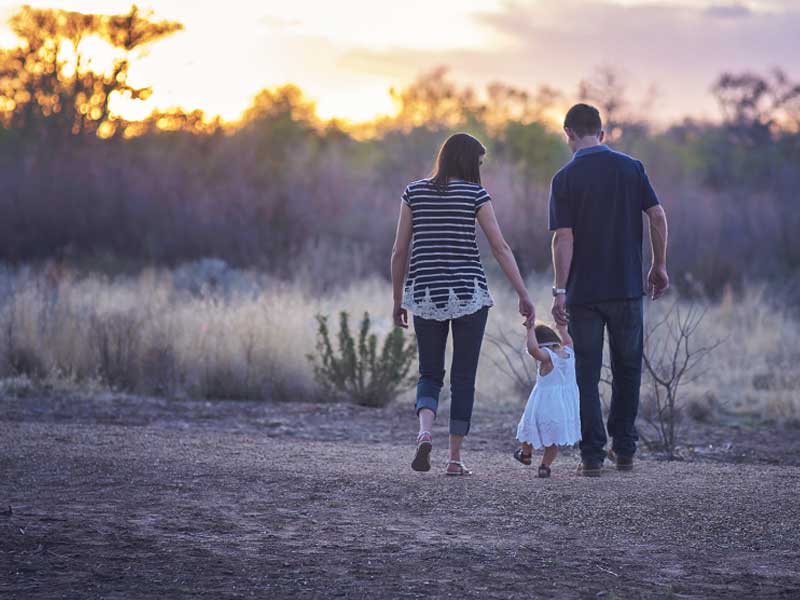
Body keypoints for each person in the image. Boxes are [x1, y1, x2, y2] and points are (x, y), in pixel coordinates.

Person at [390, 132, 535, 476]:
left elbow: (399, 251)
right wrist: (523, 293)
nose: (480, 169)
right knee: (463, 377)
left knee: (429, 372)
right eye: (479, 163)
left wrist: (398, 299)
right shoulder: (475, 194)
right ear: (468, 162)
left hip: (425, 294)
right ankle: (454, 459)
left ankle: (425, 433)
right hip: (469, 294)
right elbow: (500, 248)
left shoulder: (414, 192)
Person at [549, 103, 669, 477]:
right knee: (628, 368)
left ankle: (592, 457)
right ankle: (626, 449)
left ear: (568, 132)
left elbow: (562, 239)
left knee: (586, 372)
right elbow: (658, 215)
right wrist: (658, 265)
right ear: (601, 133)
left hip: (583, 294)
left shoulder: (564, 178)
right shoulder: (632, 168)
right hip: (627, 289)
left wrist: (559, 290)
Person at [514, 322, 581, 478]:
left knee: (528, 429)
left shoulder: (547, 357)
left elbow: (533, 350)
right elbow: (569, 341)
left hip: (544, 404)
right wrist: (562, 328)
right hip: (563, 407)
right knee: (553, 440)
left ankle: (525, 454)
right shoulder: (568, 352)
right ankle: (544, 466)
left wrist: (530, 329)